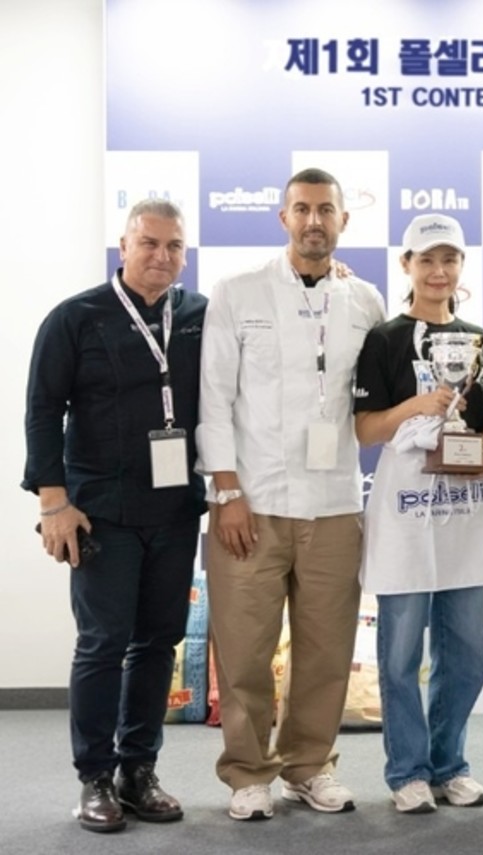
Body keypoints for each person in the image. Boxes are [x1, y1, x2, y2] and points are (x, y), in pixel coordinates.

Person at [196, 167, 386, 821]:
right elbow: (213, 397)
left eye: (325, 210)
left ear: (343, 221)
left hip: (334, 502)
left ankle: (309, 765)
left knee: (326, 649)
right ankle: (248, 772)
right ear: (284, 218)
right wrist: (226, 492)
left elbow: (375, 399)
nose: (313, 221)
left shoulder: (364, 300)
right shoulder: (238, 291)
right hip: (252, 502)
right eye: (301, 209)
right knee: (244, 648)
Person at [22, 199, 206, 833]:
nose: (161, 256)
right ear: (123, 247)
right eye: (148, 243)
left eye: (174, 246)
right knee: (103, 644)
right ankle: (94, 778)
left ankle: (138, 770)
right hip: (99, 511)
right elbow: (42, 410)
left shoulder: (199, 315)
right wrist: (53, 503)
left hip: (175, 508)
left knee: (159, 641)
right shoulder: (74, 317)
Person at [354, 214, 483, 814]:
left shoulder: (479, 340)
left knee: (466, 657)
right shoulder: (385, 340)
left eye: (449, 260)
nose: (439, 271)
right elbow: (365, 429)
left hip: (462, 511)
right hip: (405, 512)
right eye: (427, 260)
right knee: (399, 658)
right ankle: (407, 772)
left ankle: (449, 765)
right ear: (407, 265)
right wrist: (415, 406)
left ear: (461, 266)